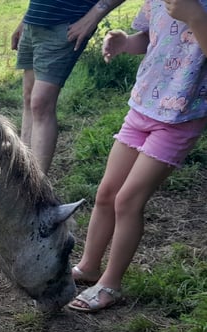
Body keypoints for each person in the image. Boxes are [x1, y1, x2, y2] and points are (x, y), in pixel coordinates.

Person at [69, 0, 207, 312]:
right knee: (106, 193)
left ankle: (110, 284)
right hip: (141, 106)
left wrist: (196, 17)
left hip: (179, 118)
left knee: (127, 201)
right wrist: (125, 43)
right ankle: (89, 266)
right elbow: (148, 38)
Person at [12, 0, 128, 174]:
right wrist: (27, 19)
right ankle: (22, 177)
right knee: (29, 98)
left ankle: (36, 191)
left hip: (65, 26)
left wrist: (92, 17)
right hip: (34, 23)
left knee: (40, 104)